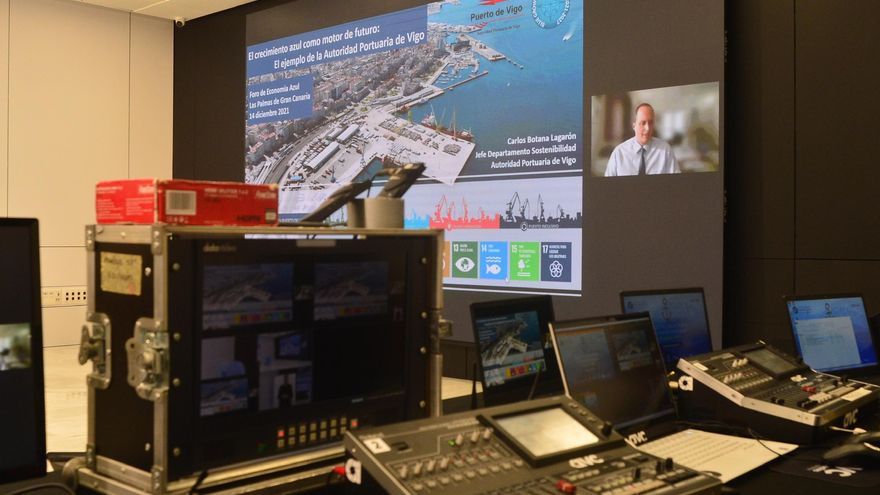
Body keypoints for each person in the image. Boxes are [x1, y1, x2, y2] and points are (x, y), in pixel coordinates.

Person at [605, 103, 680, 176]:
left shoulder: (665, 151)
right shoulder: (619, 153)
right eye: (643, 123)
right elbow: (608, 186)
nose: (647, 129)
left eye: (650, 123)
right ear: (634, 125)